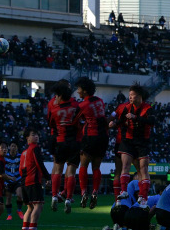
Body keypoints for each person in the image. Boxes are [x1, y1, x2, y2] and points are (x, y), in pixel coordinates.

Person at [110, 83, 154, 207]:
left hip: (142, 143)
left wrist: (136, 118)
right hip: (128, 141)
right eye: (129, 95)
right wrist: (114, 124)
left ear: (139, 96)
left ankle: (143, 197)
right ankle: (124, 191)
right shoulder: (127, 107)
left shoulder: (147, 108)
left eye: (132, 95)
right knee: (125, 165)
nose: (130, 97)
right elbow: (121, 120)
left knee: (143, 169)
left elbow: (152, 121)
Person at [75, 77, 108, 210]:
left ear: (85, 90)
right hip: (103, 137)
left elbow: (77, 120)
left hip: (90, 136)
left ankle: (83, 192)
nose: (77, 92)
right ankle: (95, 191)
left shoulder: (82, 105)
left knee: (83, 165)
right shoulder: (100, 101)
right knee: (96, 167)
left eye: (79, 89)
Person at [48, 80, 81, 213]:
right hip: (74, 141)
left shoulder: (53, 106)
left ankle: (54, 195)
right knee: (71, 171)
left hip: (59, 139)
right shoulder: (75, 104)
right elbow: (80, 121)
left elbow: (50, 123)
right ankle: (68, 198)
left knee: (57, 169)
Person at [20, 129, 51, 230]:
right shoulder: (35, 148)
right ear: (27, 138)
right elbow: (39, 163)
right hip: (33, 181)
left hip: (24, 182)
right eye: (33, 134)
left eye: (37, 134)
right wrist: (47, 177)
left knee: (30, 207)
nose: (36, 136)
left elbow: (21, 169)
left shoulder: (24, 152)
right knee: (39, 205)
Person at [3, 142, 24, 221]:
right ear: (9, 147)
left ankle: (19, 210)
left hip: (17, 179)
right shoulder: (5, 157)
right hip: (8, 180)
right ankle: (9, 215)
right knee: (8, 198)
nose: (13, 147)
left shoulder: (20, 156)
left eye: (15, 146)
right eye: (12, 146)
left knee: (19, 195)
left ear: (17, 148)